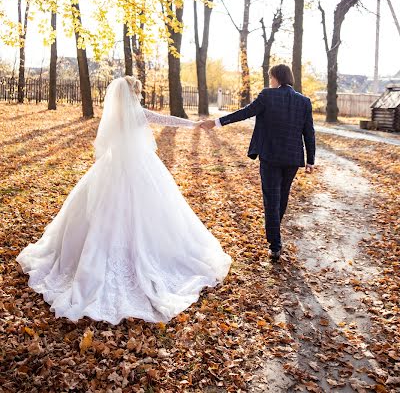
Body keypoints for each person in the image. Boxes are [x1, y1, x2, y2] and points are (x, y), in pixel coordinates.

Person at [17, 76, 231, 325]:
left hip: (111, 168)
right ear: (133, 93)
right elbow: (167, 120)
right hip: (139, 168)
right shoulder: (137, 113)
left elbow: (105, 143)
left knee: (104, 215)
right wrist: (194, 124)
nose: (139, 95)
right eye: (138, 92)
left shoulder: (114, 115)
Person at [200, 64, 315, 262]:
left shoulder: (268, 95)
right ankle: (275, 233)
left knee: (272, 199)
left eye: (271, 78)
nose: (270, 81)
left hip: (270, 156)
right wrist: (310, 160)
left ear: (276, 77)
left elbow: (245, 112)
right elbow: (309, 132)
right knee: (282, 196)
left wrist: (217, 122)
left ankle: (275, 244)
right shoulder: (304, 101)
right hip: (292, 158)